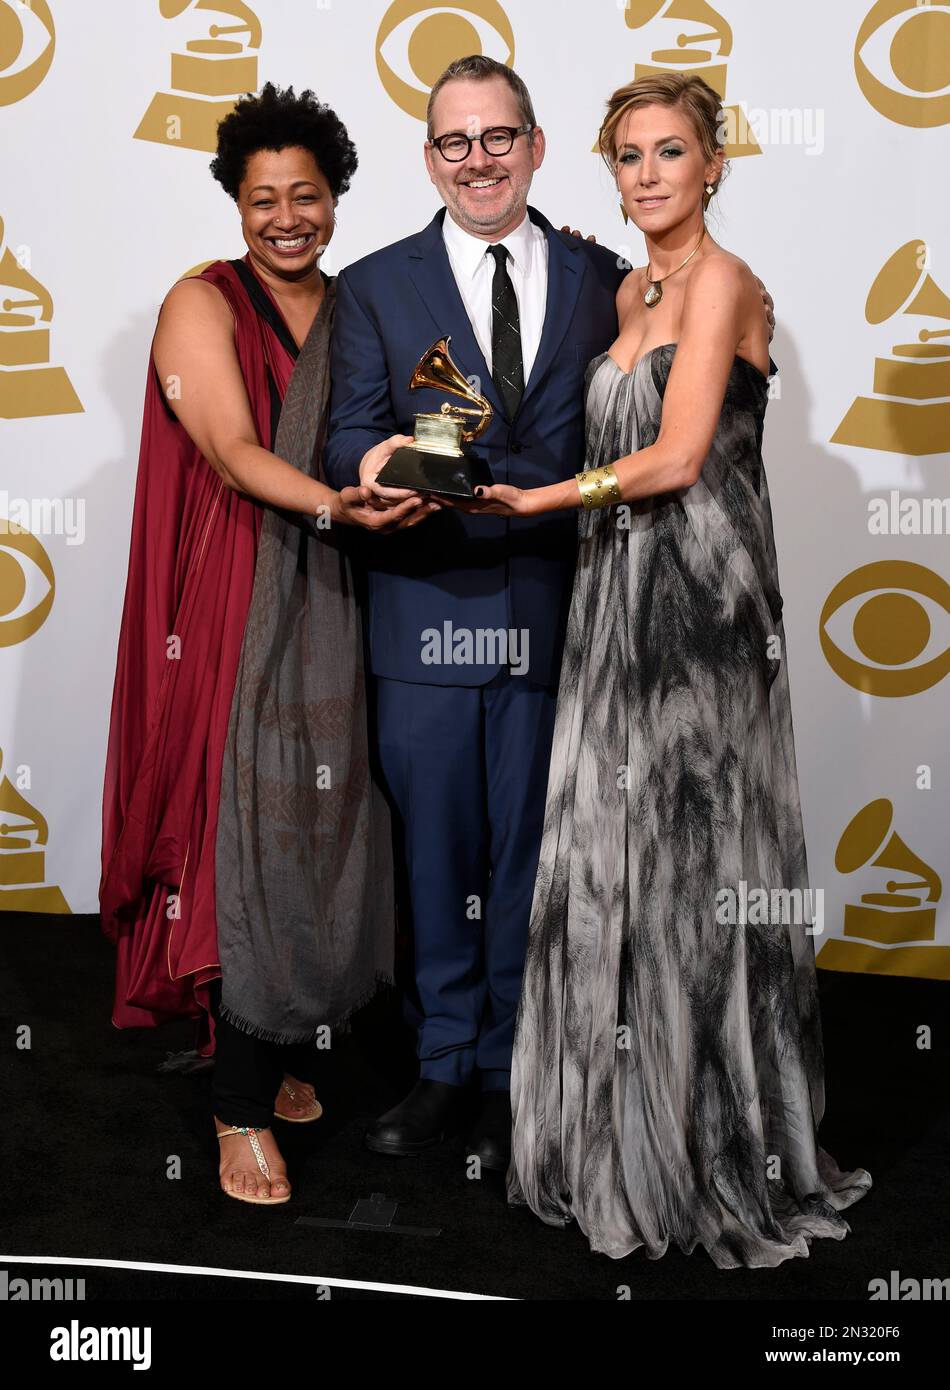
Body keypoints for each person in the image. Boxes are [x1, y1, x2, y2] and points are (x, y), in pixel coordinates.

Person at [325, 55, 777, 1172]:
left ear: (532, 146)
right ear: (429, 158)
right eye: (452, 142)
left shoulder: (605, 280)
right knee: (437, 860)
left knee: (541, 864)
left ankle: (521, 1076)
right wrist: (384, 461)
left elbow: (649, 436)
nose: (475, 159)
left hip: (563, 617)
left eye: (497, 137)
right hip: (424, 613)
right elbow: (344, 435)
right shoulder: (374, 286)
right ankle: (441, 1064)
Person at [453, 72, 872, 1266]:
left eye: (668, 152)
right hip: (614, 598)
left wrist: (545, 494)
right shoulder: (629, 288)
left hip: (701, 605)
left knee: (692, 859)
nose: (646, 174)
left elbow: (681, 453)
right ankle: (614, 1138)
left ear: (711, 166)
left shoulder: (724, 282)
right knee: (611, 856)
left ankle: (703, 1148)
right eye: (626, 155)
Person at [100, 84, 430, 1206]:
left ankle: (286, 1046)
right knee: (234, 832)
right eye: (261, 200)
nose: (286, 218)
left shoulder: (357, 304)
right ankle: (239, 1102)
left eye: (306, 196)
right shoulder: (200, 302)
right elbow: (238, 450)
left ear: (335, 197)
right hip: (233, 598)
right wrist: (341, 508)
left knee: (320, 824)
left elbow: (402, 434)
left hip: (334, 592)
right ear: (233, 204)